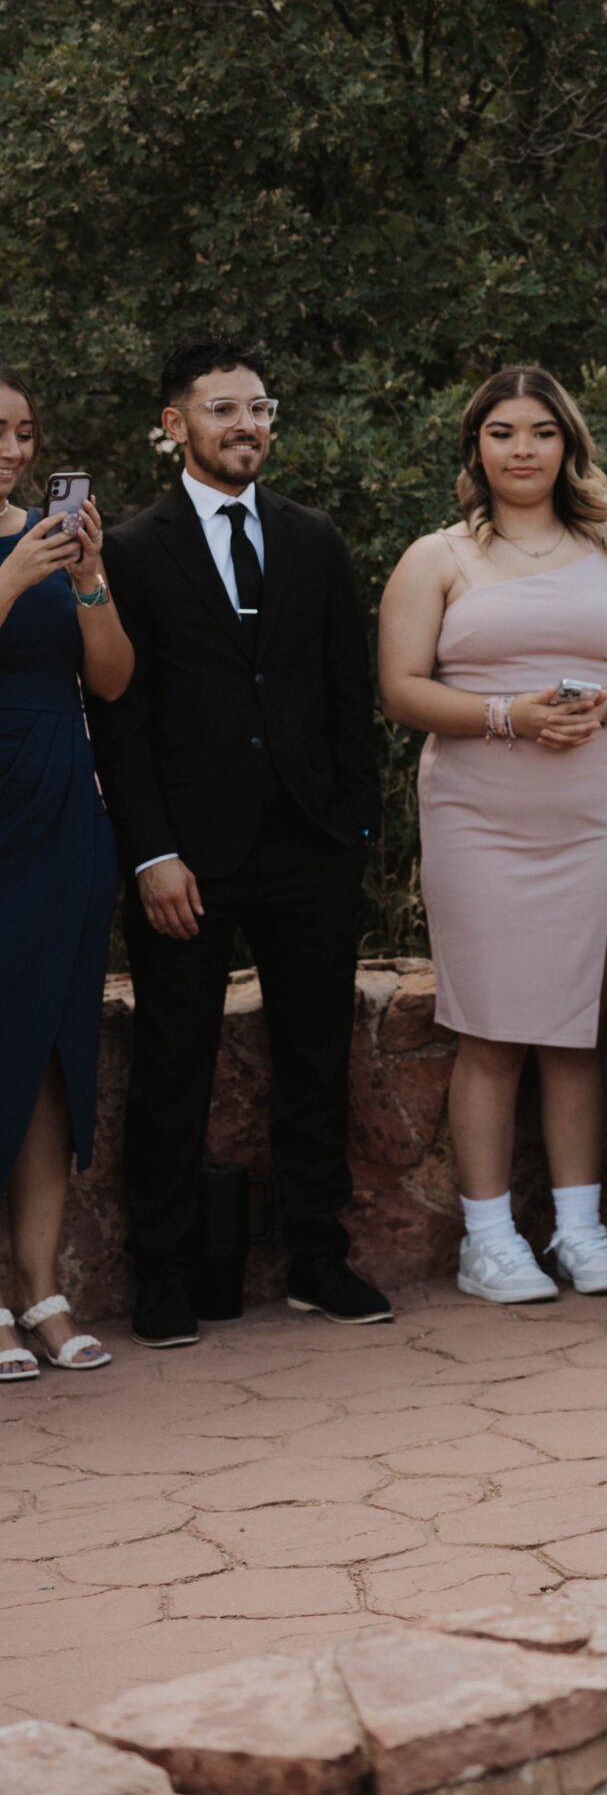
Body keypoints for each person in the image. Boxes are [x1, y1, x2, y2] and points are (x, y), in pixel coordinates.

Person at [93, 337, 388, 1347]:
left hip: (310, 844)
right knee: (174, 1063)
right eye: (223, 409)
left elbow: (351, 695)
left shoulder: (315, 539)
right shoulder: (131, 550)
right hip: (188, 856)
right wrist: (150, 853)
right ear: (176, 424)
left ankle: (319, 1256)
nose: (247, 424)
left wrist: (353, 826)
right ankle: (163, 1275)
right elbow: (120, 719)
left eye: (259, 408)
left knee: (318, 1055)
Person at [378, 366, 607, 1305]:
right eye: (502, 432)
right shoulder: (438, 558)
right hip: (477, 813)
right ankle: (489, 1238)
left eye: (541, 432)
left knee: (571, 1030)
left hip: (586, 809)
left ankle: (581, 1228)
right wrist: (507, 714)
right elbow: (400, 690)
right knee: (492, 1030)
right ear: (476, 446)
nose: (522, 449)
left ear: (567, 445)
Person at [0, 369, 134, 1378]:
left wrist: (85, 580)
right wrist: (9, 577)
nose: (14, 450)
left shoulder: (56, 540)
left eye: (26, 432)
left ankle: (40, 1291)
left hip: (58, 805)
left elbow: (114, 677)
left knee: (49, 1049)